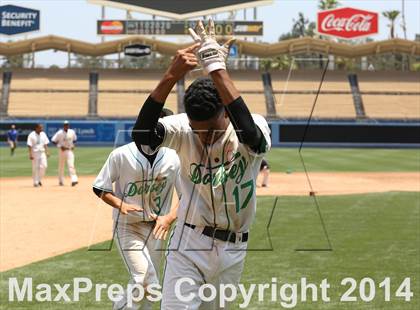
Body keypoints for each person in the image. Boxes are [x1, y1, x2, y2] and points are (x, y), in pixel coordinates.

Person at [131, 19, 271, 309]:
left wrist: (216, 69)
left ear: (225, 112)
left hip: (234, 249)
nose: (203, 137)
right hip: (188, 243)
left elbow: (253, 137)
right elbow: (143, 136)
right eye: (197, 130)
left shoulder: (251, 125)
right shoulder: (183, 127)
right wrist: (171, 75)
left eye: (210, 129)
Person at [93, 109, 180, 310]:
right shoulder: (121, 155)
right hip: (127, 227)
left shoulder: (173, 158)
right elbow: (100, 187)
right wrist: (120, 205)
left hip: (157, 229)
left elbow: (186, 196)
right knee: (144, 278)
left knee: (151, 287)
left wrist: (169, 217)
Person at [51, 120, 78, 186]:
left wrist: (73, 145)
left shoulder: (72, 132)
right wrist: (59, 146)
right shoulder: (59, 133)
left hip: (69, 150)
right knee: (61, 166)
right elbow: (53, 140)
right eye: (65, 125)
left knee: (71, 165)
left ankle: (74, 180)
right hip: (62, 151)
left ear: (69, 125)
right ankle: (61, 181)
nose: (66, 126)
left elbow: (75, 140)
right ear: (63, 126)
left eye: (67, 124)